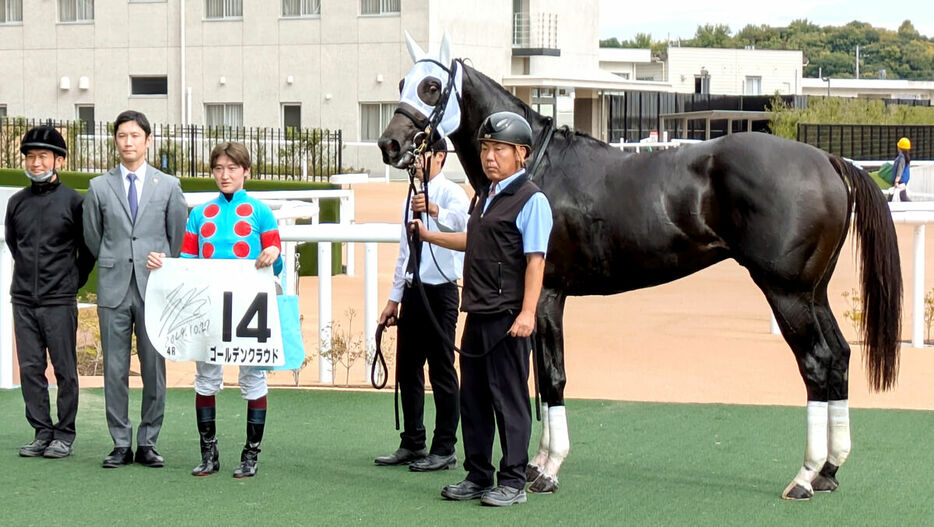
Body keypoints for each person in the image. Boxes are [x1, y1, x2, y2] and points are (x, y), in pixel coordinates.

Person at [413, 111, 553, 507]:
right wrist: (429, 235)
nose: (490, 156)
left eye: (499, 149)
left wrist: (528, 313)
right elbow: (473, 240)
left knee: (508, 399)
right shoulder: (485, 195)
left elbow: (536, 261)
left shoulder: (532, 199)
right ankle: (478, 474)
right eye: (486, 148)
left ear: (520, 154)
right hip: (477, 311)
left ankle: (512, 480)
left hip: (509, 316)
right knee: (472, 398)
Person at [147, 141, 282, 478]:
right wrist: (163, 264)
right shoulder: (199, 214)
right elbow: (188, 264)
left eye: (232, 168)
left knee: (253, 378)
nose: (225, 175)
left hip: (249, 306)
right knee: (206, 378)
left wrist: (272, 256)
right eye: (219, 169)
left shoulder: (261, 212)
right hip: (209, 306)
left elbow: (275, 262)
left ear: (246, 171)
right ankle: (209, 454)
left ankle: (250, 455)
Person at [83, 110, 188, 468]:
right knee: (113, 368)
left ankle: (148, 441)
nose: (128, 142)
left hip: (153, 286)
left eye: (134, 136)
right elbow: (93, 237)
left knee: (153, 367)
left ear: (147, 140)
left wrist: (165, 261)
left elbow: (177, 235)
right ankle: (120, 442)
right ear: (115, 141)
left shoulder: (168, 186)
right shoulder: (98, 187)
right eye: (122, 136)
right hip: (113, 286)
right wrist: (114, 258)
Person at [374, 139, 469, 472]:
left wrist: (433, 210)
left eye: (423, 154)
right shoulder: (410, 196)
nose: (415, 161)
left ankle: (444, 448)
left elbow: (461, 224)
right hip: (414, 291)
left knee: (442, 370)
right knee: (407, 369)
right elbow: (404, 251)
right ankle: (413, 441)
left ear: (440, 156)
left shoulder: (451, 193)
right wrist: (393, 300)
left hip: (441, 292)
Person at [5, 126, 95, 459]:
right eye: (30, 156)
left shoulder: (74, 201)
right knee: (30, 368)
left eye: (43, 156)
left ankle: (65, 433)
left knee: (64, 368)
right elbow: (16, 246)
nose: (36, 162)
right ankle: (41, 431)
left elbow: (87, 250)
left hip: (59, 299)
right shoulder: (16, 203)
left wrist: (72, 281)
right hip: (24, 299)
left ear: (57, 159)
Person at [892, 137, 912, 202]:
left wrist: (896, 181)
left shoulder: (901, 158)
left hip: (900, 182)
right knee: (902, 196)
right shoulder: (906, 158)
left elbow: (900, 170)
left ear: (899, 148)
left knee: (902, 197)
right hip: (903, 183)